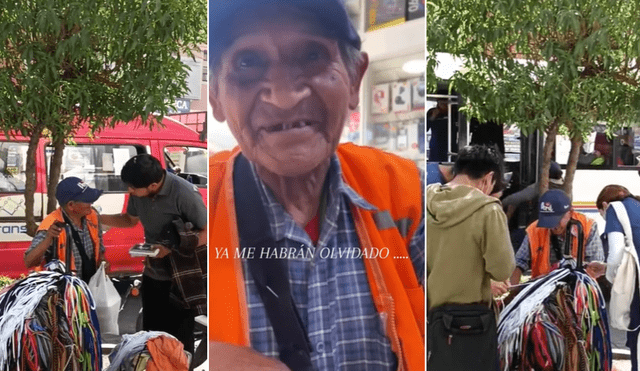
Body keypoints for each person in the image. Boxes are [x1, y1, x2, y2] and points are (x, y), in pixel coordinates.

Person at [208, 1, 424, 370]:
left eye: (311, 55)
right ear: (216, 97)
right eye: (247, 63)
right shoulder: (205, 206)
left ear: (355, 78)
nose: (284, 95)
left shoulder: (402, 191)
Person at [100, 154, 207, 357]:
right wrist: (95, 217)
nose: (129, 191)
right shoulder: (139, 191)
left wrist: (173, 248)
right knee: (150, 334)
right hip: (153, 272)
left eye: (132, 188)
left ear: (154, 184)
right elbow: (129, 220)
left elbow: (206, 231)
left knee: (179, 339)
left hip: (181, 276)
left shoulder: (183, 193)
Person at [590, 185, 640, 370]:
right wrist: (605, 268)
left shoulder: (614, 209)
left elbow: (616, 252)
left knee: (636, 339)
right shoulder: (636, 205)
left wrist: (611, 277)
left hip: (637, 286)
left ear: (604, 204)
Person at [510, 189, 605, 285]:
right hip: (543, 289)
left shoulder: (587, 226)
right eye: (548, 220)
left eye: (557, 219)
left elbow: (595, 265)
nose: (553, 226)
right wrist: (514, 290)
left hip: (579, 288)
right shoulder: (534, 230)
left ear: (570, 212)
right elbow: (519, 262)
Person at [24, 177, 106, 282]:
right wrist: (48, 239)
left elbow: (100, 249)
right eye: (87, 200)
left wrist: (103, 262)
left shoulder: (93, 216)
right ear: (71, 205)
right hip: (64, 291)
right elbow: (29, 262)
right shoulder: (51, 224)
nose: (91, 204)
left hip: (91, 287)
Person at [427, 98, 458, 162]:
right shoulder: (432, 112)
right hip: (436, 149)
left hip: (451, 147)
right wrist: (432, 117)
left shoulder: (454, 113)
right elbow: (425, 128)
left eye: (445, 103)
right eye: (441, 103)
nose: (444, 105)